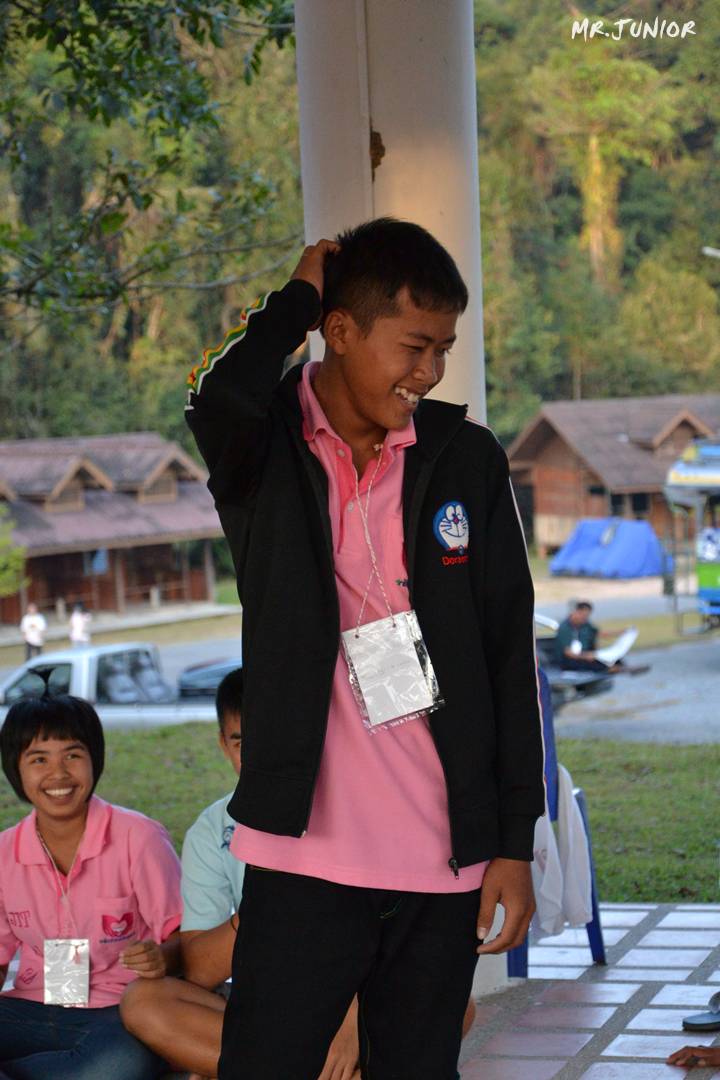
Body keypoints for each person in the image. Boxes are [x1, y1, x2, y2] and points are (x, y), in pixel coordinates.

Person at [185, 219, 545, 1079]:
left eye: (443, 348)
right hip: (301, 852)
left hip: (440, 857)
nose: (430, 371)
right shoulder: (262, 449)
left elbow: (507, 654)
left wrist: (514, 841)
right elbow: (213, 393)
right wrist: (296, 301)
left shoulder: (465, 460)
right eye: (414, 346)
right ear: (339, 331)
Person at [121, 667, 362, 1080]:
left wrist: (354, 1022)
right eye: (242, 742)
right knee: (144, 1001)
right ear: (224, 745)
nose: (260, 757)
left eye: (272, 737)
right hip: (261, 1009)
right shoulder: (213, 830)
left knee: (452, 1007)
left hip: (353, 1001)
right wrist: (271, 899)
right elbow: (201, 969)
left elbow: (400, 940)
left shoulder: (357, 812)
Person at [0, 692, 183, 1079]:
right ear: (15, 769)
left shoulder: (139, 838)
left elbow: (185, 936)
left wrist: (162, 956)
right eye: (39, 759)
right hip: (31, 1009)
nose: (58, 774)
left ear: (94, 760)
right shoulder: (4, 852)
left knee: (124, 1061)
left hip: (120, 1012)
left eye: (72, 755)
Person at [554, 600, 648, 675]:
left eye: (587, 616)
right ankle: (621, 670)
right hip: (572, 659)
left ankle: (621, 668)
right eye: (583, 615)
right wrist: (586, 656)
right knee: (593, 663)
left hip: (586, 654)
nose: (585, 618)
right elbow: (568, 653)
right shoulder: (565, 628)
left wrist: (623, 632)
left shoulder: (585, 625)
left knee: (614, 659)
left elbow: (600, 634)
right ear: (576, 612)